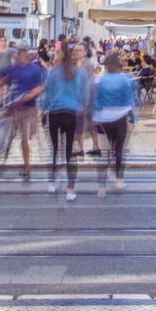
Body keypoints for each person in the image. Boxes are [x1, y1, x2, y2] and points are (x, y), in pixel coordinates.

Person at [0, 42, 46, 180]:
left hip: (28, 107)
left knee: (24, 138)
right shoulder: (14, 68)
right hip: (14, 107)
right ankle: (3, 157)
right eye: (18, 51)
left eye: (22, 51)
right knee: (8, 135)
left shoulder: (34, 69)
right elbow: (3, 80)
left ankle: (27, 165)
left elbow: (40, 88)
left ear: (26, 53)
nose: (19, 54)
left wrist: (29, 96)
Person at [40, 43, 89, 201]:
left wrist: (43, 109)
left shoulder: (53, 73)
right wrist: (82, 107)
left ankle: (52, 183)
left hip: (55, 113)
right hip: (71, 113)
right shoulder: (80, 73)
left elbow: (47, 94)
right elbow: (84, 94)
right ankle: (70, 189)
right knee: (70, 152)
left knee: (54, 149)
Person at [91, 52, 137, 197]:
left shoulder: (100, 80)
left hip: (103, 118)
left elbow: (96, 100)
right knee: (118, 150)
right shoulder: (124, 80)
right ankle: (118, 180)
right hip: (120, 117)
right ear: (118, 66)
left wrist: (96, 115)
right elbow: (129, 100)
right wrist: (133, 117)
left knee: (105, 153)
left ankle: (101, 188)